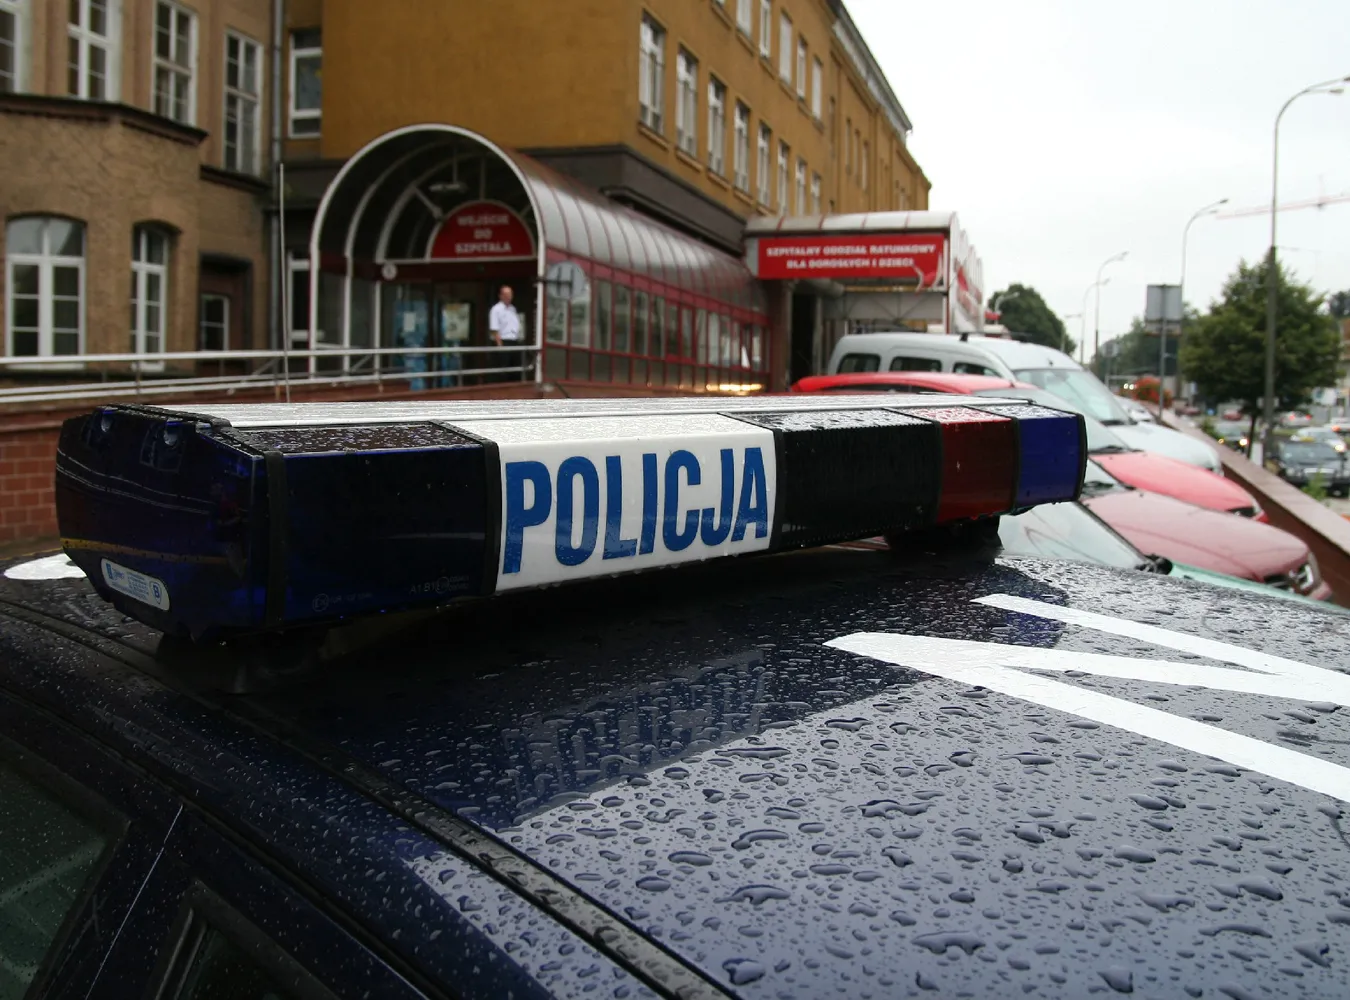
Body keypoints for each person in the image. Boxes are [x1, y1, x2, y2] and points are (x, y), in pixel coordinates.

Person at [488, 285, 525, 379]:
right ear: (500, 296)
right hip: (503, 341)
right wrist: (500, 346)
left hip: (514, 341)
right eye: (506, 294)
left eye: (510, 294)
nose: (509, 297)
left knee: (516, 369)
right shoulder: (496, 309)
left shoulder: (513, 309)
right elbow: (494, 329)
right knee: (503, 369)